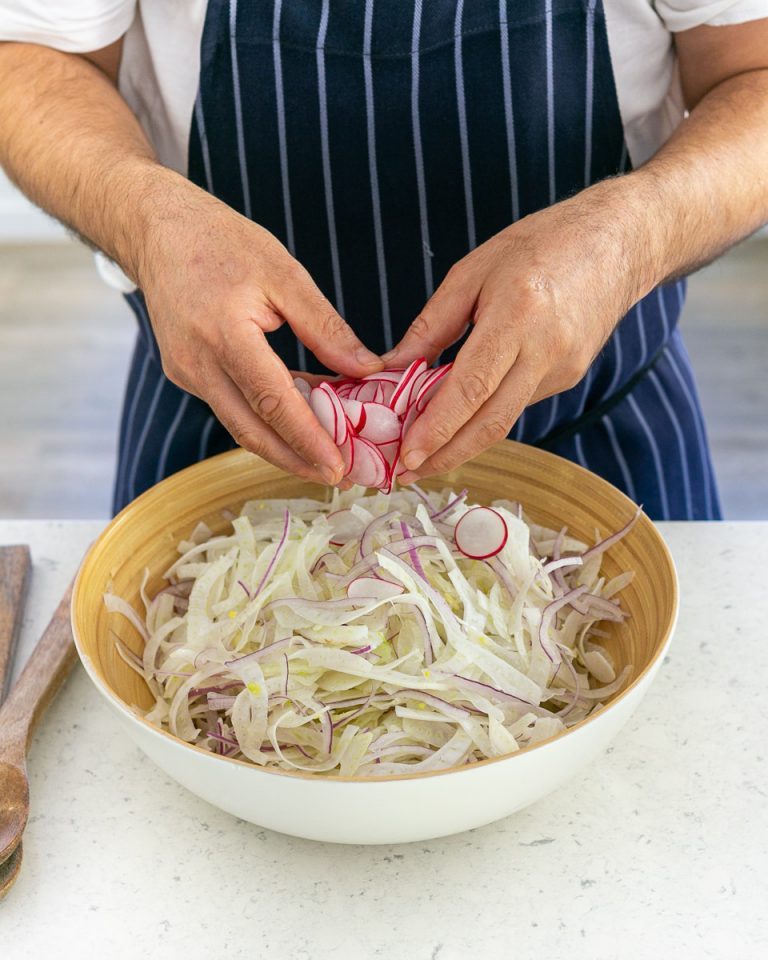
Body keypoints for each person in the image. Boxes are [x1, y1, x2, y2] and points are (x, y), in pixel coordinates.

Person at [0, 2, 766, 520]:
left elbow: (754, 71)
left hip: (599, 437)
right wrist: (148, 221)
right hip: (220, 440)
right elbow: (29, 57)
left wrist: (628, 237)